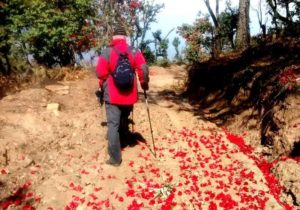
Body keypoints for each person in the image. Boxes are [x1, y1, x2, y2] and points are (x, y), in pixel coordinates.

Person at [96, 25, 149, 166]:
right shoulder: (134, 51)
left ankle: (115, 159)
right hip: (129, 95)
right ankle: (125, 138)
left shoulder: (107, 52)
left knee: (113, 125)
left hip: (112, 95)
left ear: (113, 38)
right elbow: (143, 68)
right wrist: (144, 84)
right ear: (126, 38)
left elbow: (100, 72)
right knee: (124, 116)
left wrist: (104, 84)